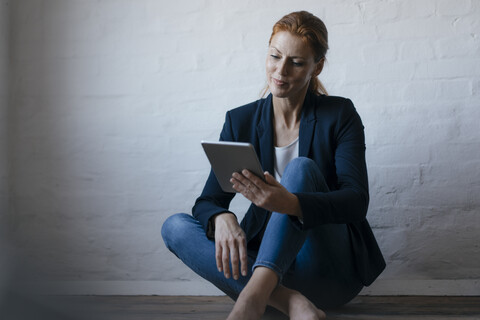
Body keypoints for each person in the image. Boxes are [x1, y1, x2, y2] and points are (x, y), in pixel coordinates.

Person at [162, 10, 385, 320]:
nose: (281, 71)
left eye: (296, 62)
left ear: (316, 67)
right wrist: (222, 215)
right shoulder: (239, 121)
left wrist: (291, 203)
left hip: (330, 271)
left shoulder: (340, 114)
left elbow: (356, 201)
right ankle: (289, 301)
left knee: (301, 169)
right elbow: (208, 201)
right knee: (175, 226)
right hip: (271, 269)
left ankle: (252, 296)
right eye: (275, 56)